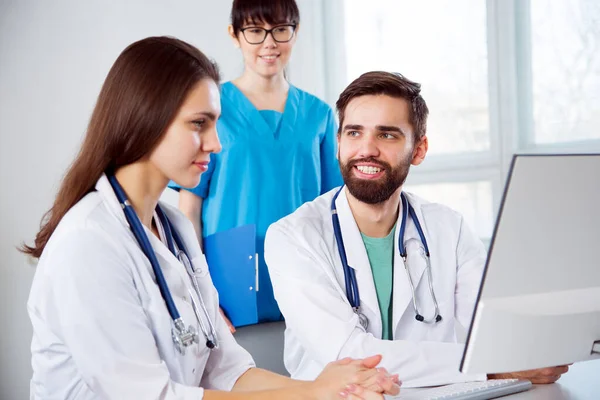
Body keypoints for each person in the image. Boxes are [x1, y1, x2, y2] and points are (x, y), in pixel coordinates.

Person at [21, 38, 400, 400]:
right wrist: (313, 393)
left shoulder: (175, 228)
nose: (216, 143)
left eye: (215, 124)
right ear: (145, 119)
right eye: (199, 124)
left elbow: (228, 371)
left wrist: (328, 386)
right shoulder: (89, 241)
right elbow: (148, 396)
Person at [264, 71, 570, 387]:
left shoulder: (449, 229)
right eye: (354, 133)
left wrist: (535, 346)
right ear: (338, 143)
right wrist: (494, 367)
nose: (367, 149)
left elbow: (489, 333)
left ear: (419, 150)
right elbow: (347, 357)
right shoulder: (292, 237)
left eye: (387, 135)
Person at [170, 0, 342, 332]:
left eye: (280, 30)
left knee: (302, 375)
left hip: (302, 271)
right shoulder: (212, 108)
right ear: (234, 35)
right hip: (229, 276)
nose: (269, 43)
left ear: (295, 32)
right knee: (241, 376)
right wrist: (199, 292)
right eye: (255, 31)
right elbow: (188, 210)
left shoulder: (318, 114)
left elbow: (331, 211)